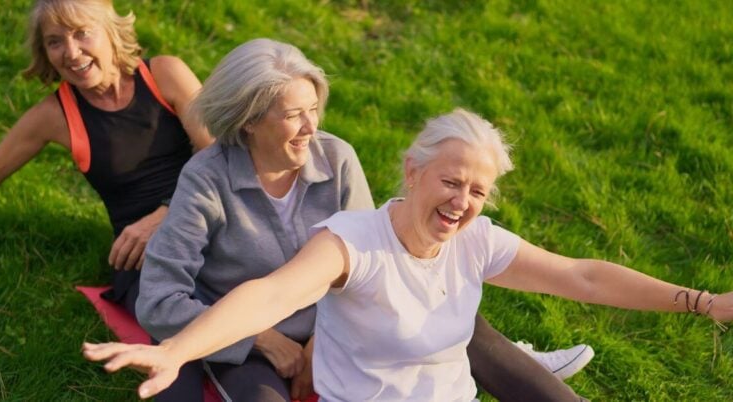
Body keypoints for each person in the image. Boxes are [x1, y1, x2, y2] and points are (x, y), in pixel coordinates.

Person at [83, 108, 733, 401]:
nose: (462, 201)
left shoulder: (476, 241)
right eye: (451, 182)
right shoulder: (353, 240)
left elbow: (583, 277)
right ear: (413, 171)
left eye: (478, 191)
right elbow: (273, 295)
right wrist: (175, 349)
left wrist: (702, 302)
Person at [128, 39, 592, 402]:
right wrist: (261, 339)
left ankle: (533, 373)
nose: (313, 128)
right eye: (294, 115)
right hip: (247, 335)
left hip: (344, 322)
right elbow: (159, 300)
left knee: (464, 328)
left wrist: (326, 339)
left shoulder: (336, 158)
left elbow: (375, 255)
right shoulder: (206, 181)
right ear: (249, 120)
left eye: (314, 110)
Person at [0, 0, 214, 315]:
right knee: (174, 311)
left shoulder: (164, 73)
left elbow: (218, 154)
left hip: (205, 218)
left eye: (82, 33)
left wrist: (164, 215)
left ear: (109, 31)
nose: (70, 52)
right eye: (55, 41)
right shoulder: (53, 116)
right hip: (142, 256)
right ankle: (261, 339)